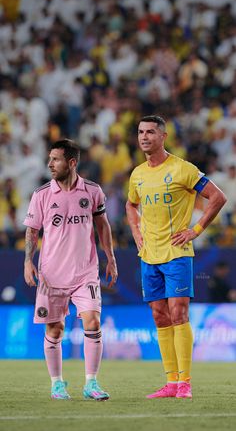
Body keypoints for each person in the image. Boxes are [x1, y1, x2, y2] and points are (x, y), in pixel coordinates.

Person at [126, 115, 226, 399]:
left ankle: (185, 383)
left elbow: (217, 197)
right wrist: (135, 231)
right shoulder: (138, 174)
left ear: (163, 136)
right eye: (140, 132)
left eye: (150, 132)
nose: (144, 137)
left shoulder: (183, 169)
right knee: (159, 316)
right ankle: (171, 382)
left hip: (177, 252)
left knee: (179, 313)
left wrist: (196, 230)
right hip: (148, 254)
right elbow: (130, 204)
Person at [24, 139, 118, 401]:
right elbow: (32, 231)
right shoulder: (42, 194)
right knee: (55, 330)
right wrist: (27, 262)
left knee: (93, 320)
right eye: (50, 159)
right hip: (51, 275)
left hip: (85, 272)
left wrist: (110, 257)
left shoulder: (92, 191)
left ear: (72, 162)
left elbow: (103, 226)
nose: (50, 164)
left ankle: (91, 383)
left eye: (56, 159)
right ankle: (57, 384)